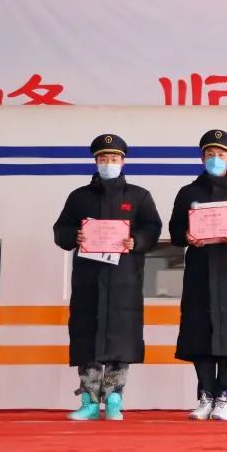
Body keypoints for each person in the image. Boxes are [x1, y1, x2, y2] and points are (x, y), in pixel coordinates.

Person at [52, 134, 162, 421]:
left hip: (124, 280)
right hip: (88, 280)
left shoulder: (138, 196)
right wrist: (72, 235)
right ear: (96, 161)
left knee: (120, 339)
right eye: (103, 158)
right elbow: (61, 229)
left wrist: (136, 240)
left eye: (114, 158)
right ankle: (89, 400)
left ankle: (114, 399)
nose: (108, 163)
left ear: (123, 162)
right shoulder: (79, 197)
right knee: (87, 337)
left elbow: (153, 228)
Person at [169, 129, 227, 421]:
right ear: (202, 158)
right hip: (198, 272)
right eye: (210, 154)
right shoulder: (188, 192)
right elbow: (175, 230)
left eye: (221, 155)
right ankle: (205, 396)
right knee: (199, 334)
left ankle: (225, 397)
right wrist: (186, 235)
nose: (215, 159)